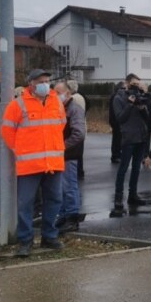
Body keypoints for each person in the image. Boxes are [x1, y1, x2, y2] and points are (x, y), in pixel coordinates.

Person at [1, 69, 66, 257]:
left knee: (54, 200)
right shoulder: (17, 105)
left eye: (47, 80)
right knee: (26, 204)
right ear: (30, 83)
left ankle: (49, 236)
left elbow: (61, 125)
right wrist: (22, 150)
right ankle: (25, 241)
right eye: (41, 81)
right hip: (29, 165)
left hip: (53, 163)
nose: (45, 84)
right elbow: (7, 132)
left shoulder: (56, 102)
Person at [111, 73, 150, 216]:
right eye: (133, 84)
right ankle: (118, 197)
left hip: (141, 136)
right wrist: (130, 104)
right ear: (127, 83)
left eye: (137, 84)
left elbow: (148, 118)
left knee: (136, 169)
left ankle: (133, 194)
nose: (135, 87)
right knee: (123, 168)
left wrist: (142, 106)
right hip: (128, 137)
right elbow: (120, 118)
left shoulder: (140, 97)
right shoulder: (119, 98)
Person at [53, 81, 86, 233]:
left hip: (68, 154)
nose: (55, 95)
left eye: (58, 92)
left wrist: (62, 146)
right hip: (60, 153)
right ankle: (64, 214)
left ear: (68, 93)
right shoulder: (60, 107)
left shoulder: (74, 109)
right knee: (60, 186)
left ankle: (72, 217)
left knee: (69, 185)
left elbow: (78, 133)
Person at [66, 79, 88, 180]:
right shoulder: (81, 97)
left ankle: (78, 172)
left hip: (74, 128)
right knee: (80, 152)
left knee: (75, 152)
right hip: (82, 125)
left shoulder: (73, 99)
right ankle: (80, 171)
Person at [108, 82, 126, 163]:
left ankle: (116, 154)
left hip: (114, 120)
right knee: (117, 139)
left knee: (117, 138)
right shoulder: (117, 97)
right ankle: (116, 155)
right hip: (116, 121)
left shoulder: (114, 96)